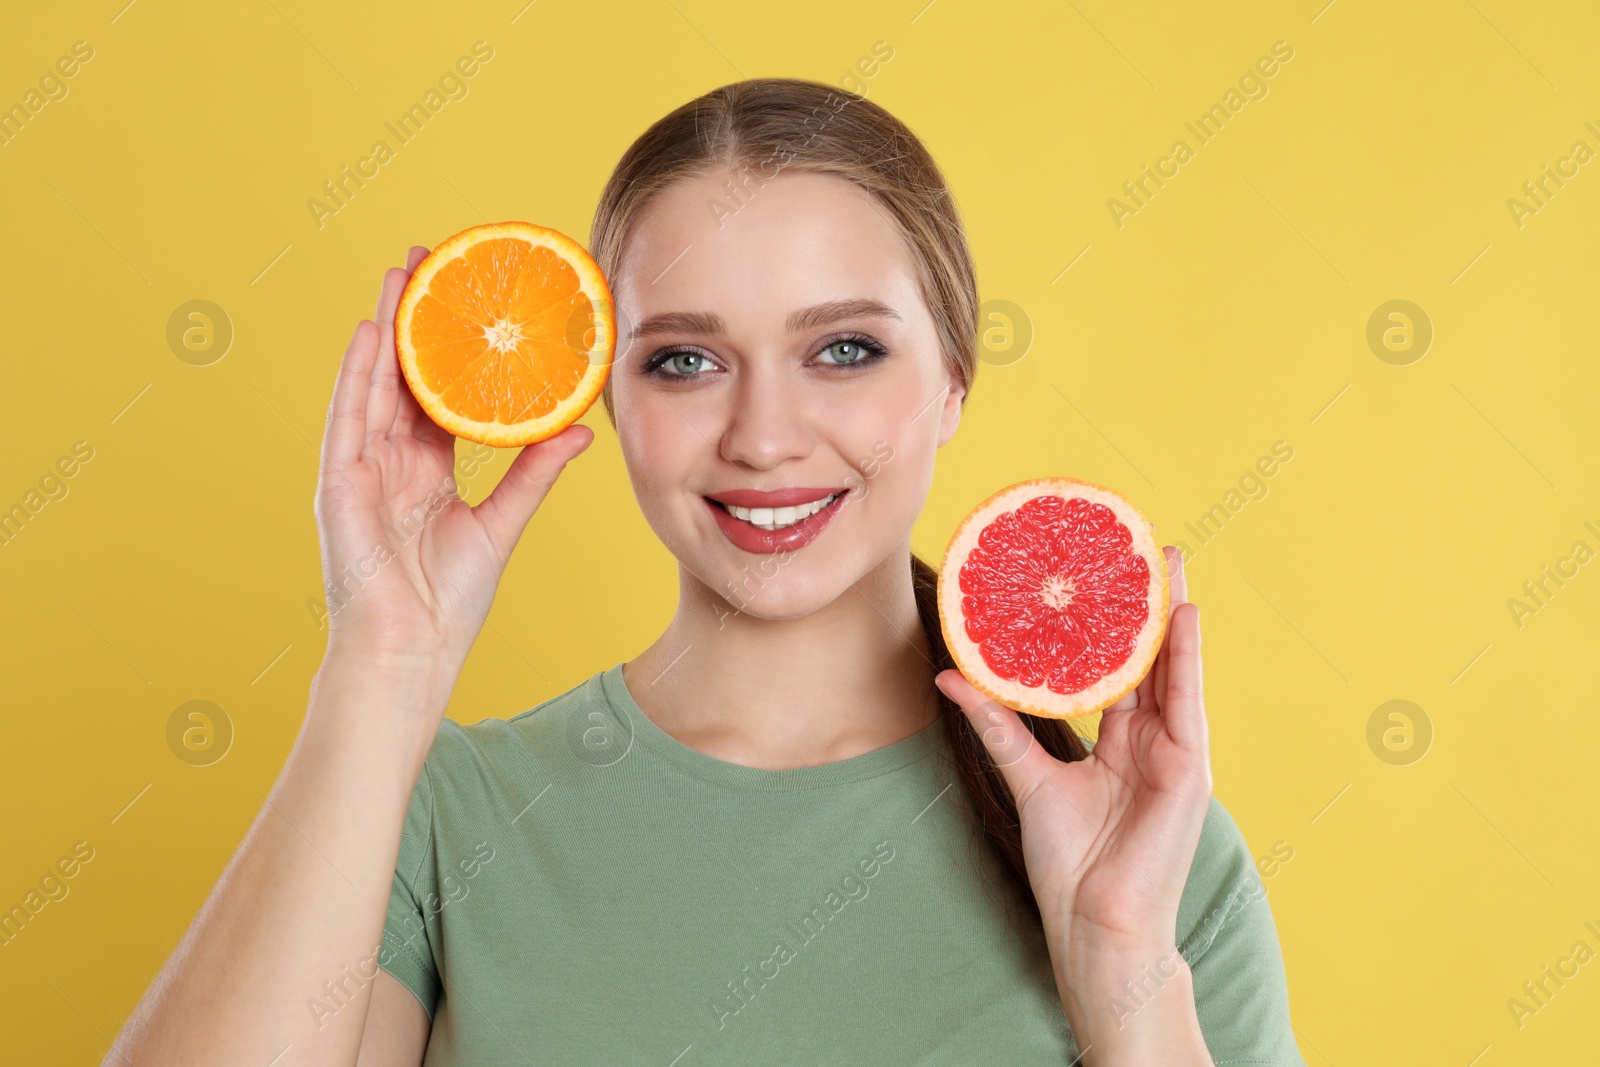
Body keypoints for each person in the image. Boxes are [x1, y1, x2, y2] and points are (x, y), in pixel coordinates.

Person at [108, 78, 1304, 1066]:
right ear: (606, 397)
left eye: (843, 349)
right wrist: (382, 659)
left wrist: (1118, 955)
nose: (765, 435)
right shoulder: (438, 816)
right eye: (684, 359)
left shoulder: (1146, 854)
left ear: (951, 378)